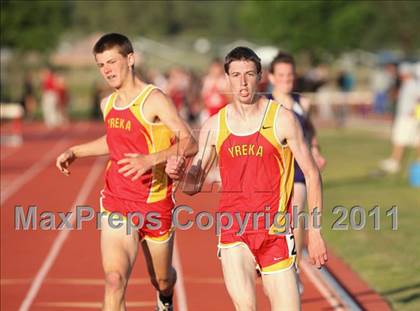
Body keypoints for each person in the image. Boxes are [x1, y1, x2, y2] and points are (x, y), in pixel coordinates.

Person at [166, 47, 327, 310]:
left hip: (275, 232)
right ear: (227, 79)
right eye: (236, 75)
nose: (242, 82)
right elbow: (193, 185)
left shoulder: (282, 119)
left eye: (249, 74)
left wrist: (315, 232)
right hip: (234, 230)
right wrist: (179, 174)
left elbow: (311, 172)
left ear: (260, 77)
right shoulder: (215, 125)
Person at [56, 33, 197, 311]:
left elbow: (189, 142)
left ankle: (165, 297)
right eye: (101, 65)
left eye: (111, 62)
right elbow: (114, 140)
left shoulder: (154, 99)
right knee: (114, 279)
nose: (107, 70)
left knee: (162, 279)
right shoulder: (107, 104)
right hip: (117, 203)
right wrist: (76, 151)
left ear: (130, 59)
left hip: (155, 204)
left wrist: (150, 160)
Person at [267, 52, 327, 292]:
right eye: (281, 75)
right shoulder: (266, 105)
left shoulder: (303, 104)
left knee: (296, 211)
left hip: (299, 171)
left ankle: (294, 266)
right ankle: (273, 262)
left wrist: (315, 150)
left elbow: (310, 132)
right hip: (272, 174)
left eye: (290, 75)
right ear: (271, 77)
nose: (286, 79)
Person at [379, 62, 420, 173]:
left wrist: (415, 112)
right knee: (416, 140)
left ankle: (395, 162)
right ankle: (400, 161)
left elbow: (418, 98)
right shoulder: (407, 84)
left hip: (407, 117)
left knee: (399, 139)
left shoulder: (412, 84)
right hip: (406, 116)